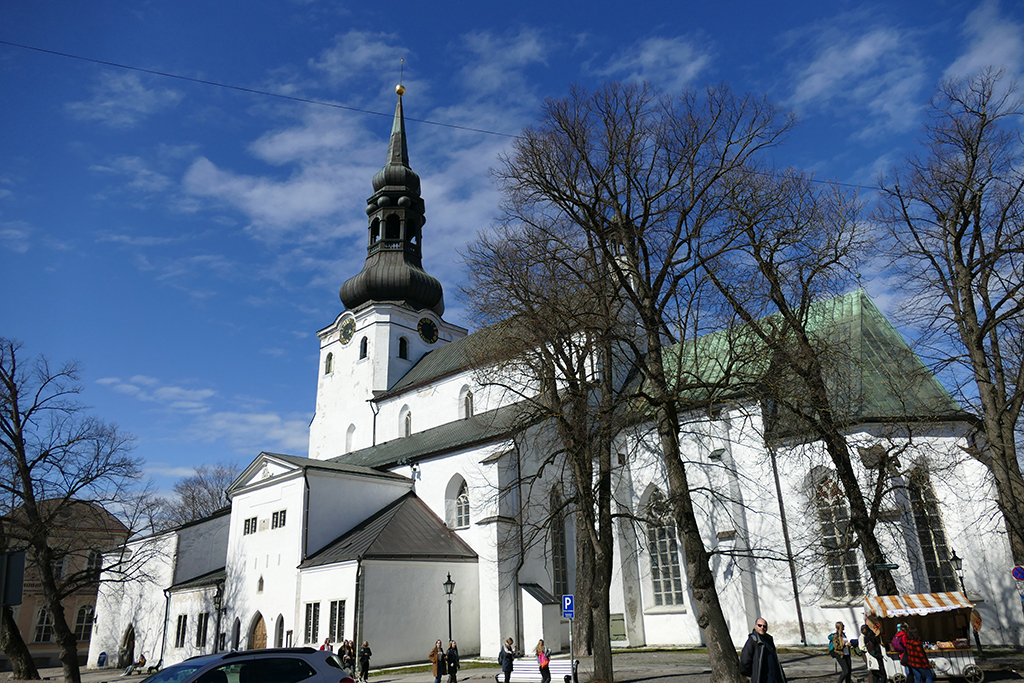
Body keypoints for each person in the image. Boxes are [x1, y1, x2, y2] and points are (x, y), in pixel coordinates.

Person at [740, 618, 786, 683]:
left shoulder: (769, 639)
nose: (762, 628)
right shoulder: (753, 640)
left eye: (764, 626)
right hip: (762, 679)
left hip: (774, 678)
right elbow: (745, 660)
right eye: (759, 625)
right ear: (755, 626)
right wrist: (754, 673)